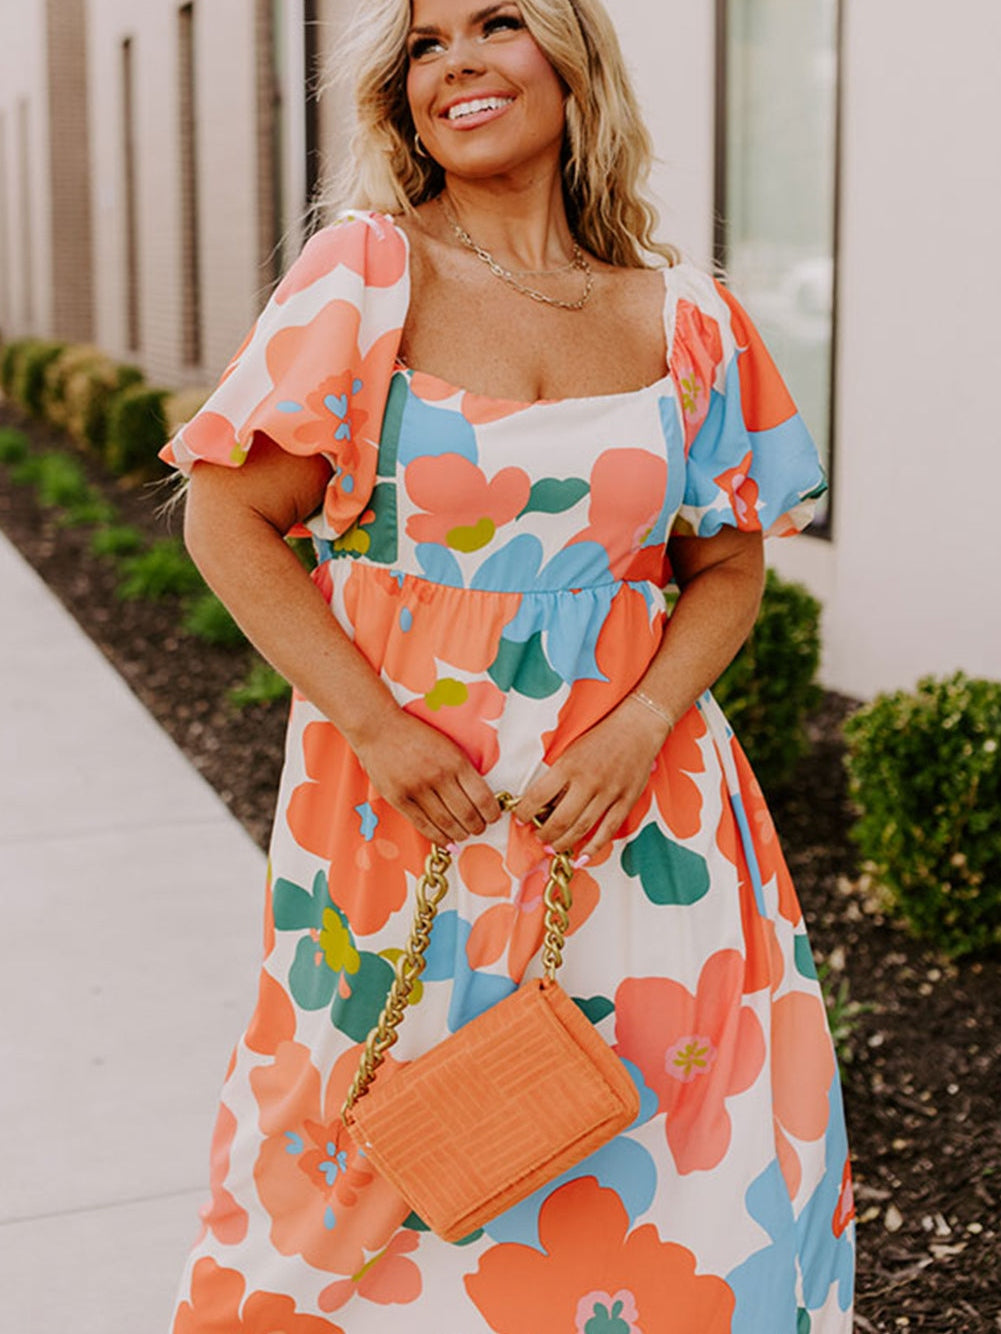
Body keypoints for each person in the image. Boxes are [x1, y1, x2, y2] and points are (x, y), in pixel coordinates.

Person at [163, 0, 855, 1329]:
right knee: (354, 1176)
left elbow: (724, 566)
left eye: (498, 22)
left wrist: (643, 716)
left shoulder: (689, 317)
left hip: (648, 820)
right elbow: (224, 515)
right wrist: (377, 728)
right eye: (424, 43)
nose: (459, 59)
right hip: (404, 822)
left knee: (693, 1167)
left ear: (572, 63)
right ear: (401, 94)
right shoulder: (364, 274)